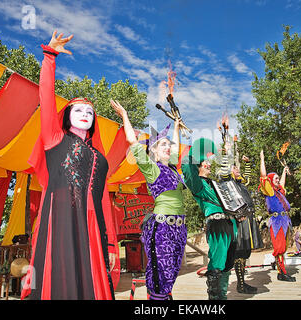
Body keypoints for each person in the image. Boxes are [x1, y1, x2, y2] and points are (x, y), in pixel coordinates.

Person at [21, 31, 119, 300]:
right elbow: (47, 97)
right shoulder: (55, 139)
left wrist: (111, 243)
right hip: (60, 220)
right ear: (67, 116)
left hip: (92, 225)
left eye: (90, 113)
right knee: (61, 281)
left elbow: (105, 204)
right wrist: (50, 57)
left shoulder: (101, 158)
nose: (85, 114)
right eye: (79, 110)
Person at [111, 99, 187, 300]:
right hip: (162, 227)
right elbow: (132, 141)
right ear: (153, 150)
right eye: (163, 145)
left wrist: (177, 127)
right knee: (160, 272)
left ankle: (164, 297)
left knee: (171, 272)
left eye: (168, 145)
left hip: (179, 226)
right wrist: (125, 115)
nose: (168, 147)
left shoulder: (172, 168)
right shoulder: (151, 168)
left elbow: (177, 147)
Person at [181, 138, 237, 300]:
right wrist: (196, 152)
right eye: (206, 162)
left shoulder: (215, 183)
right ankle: (215, 300)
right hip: (217, 224)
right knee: (218, 261)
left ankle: (223, 297)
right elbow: (187, 167)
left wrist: (226, 152)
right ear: (199, 166)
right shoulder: (197, 184)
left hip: (230, 223)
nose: (210, 164)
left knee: (228, 263)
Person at [219, 152, 263, 294]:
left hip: (248, 218)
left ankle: (242, 283)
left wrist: (248, 163)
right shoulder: (226, 180)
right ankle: (241, 285)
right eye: (235, 168)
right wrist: (225, 154)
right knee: (239, 251)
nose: (238, 171)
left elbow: (248, 178)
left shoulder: (240, 182)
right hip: (239, 219)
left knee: (245, 251)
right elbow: (224, 172)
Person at [258, 150, 295, 282]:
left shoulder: (280, 191)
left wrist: (284, 171)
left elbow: (283, 184)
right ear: (270, 181)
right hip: (277, 220)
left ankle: (281, 271)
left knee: (283, 247)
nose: (278, 180)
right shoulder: (269, 190)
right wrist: (262, 159)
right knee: (279, 248)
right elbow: (263, 175)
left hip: (285, 220)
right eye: (276, 178)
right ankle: (281, 272)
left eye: (278, 178)